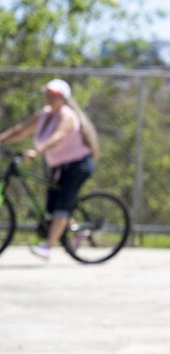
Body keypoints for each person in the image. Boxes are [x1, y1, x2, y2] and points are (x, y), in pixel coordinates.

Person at [0, 79, 99, 261]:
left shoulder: (68, 116)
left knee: (62, 205)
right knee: (52, 207)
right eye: (47, 94)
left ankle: (48, 248)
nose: (48, 98)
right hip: (59, 166)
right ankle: (77, 231)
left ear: (63, 98)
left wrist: (36, 151)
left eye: (53, 96)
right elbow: (20, 130)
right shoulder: (44, 115)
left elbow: (57, 137)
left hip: (78, 165)